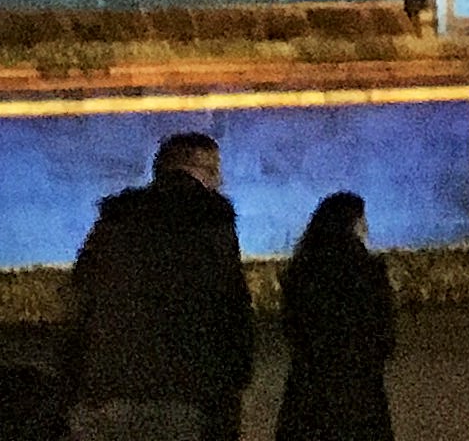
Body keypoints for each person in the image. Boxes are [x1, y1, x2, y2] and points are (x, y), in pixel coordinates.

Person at [62, 129, 255, 441]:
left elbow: (81, 297)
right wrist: (235, 378)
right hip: (188, 389)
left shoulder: (114, 221)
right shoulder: (210, 221)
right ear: (195, 169)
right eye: (214, 170)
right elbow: (231, 309)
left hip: (110, 383)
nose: (220, 180)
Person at [275, 193, 395, 441]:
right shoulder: (367, 271)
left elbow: (292, 327)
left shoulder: (303, 270)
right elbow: (383, 332)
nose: (366, 227)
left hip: (309, 387)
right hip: (358, 387)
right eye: (362, 220)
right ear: (352, 223)